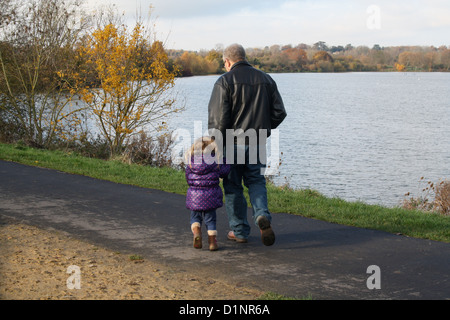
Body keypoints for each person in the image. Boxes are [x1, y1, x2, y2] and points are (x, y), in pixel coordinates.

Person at [208, 43, 287, 246]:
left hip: (231, 144)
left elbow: (219, 120)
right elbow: (279, 112)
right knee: (256, 182)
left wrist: (215, 144)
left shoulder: (224, 82)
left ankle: (240, 231)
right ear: (244, 57)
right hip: (256, 142)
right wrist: (264, 130)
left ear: (227, 61)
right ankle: (262, 215)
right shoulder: (266, 79)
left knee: (233, 187)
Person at [185, 136, 230, 251]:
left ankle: (196, 233)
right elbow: (224, 172)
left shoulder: (191, 161)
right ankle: (212, 242)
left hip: (195, 195)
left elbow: (187, 177)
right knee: (210, 219)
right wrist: (226, 161)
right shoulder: (215, 161)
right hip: (211, 195)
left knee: (195, 217)